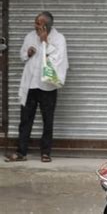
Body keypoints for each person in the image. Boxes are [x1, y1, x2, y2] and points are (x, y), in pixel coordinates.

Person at [5, 11, 68, 163]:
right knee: (25, 120)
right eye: (35, 23)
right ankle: (21, 152)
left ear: (46, 26)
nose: (35, 26)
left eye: (38, 23)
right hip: (31, 84)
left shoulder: (59, 39)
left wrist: (45, 42)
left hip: (48, 86)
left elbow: (59, 60)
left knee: (48, 120)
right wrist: (28, 53)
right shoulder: (29, 36)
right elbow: (22, 56)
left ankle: (45, 153)